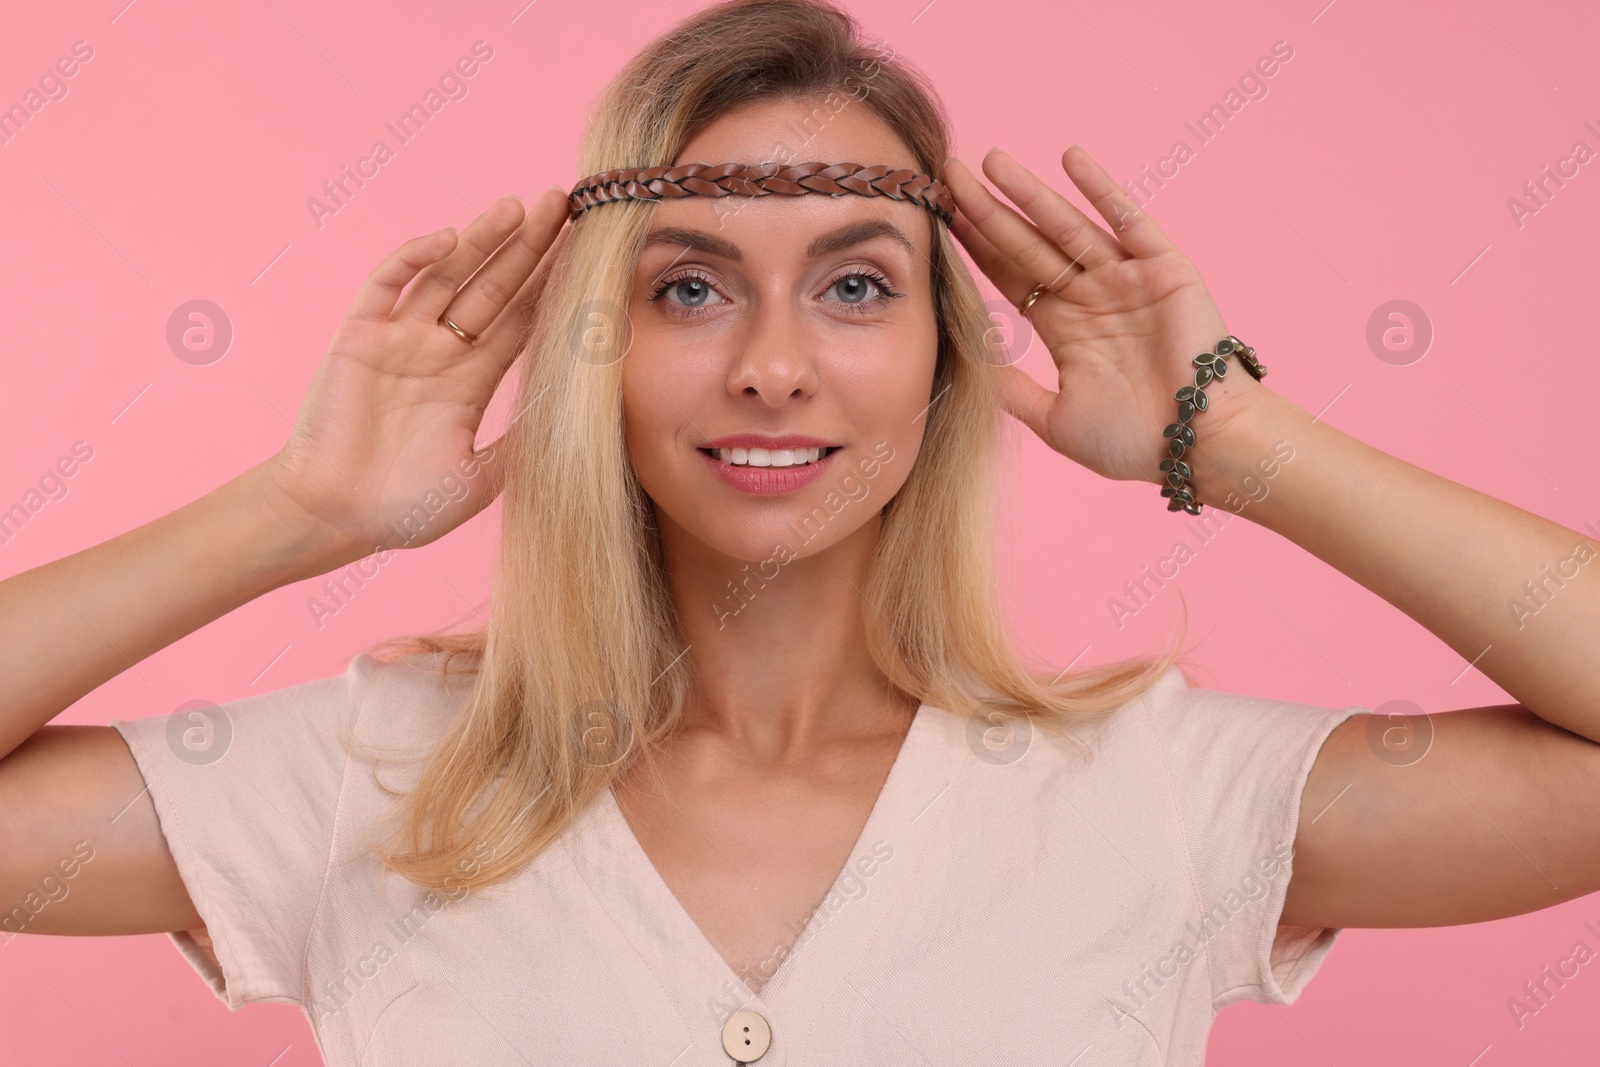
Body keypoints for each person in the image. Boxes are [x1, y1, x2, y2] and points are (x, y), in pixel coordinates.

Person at [3, 0, 1597, 1063]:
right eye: (688, 286)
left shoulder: (1159, 791)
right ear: (593, 353)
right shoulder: (370, 779)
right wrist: (298, 513)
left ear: (946, 357)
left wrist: (1236, 439)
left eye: (855, 286)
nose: (773, 361)